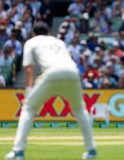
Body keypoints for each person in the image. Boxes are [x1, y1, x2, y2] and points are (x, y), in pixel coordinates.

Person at [5, 21, 97, 160]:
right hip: (72, 72)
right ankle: (91, 150)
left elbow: (29, 69)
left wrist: (29, 94)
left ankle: (18, 151)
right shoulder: (58, 41)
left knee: (28, 108)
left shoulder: (31, 42)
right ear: (48, 32)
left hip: (52, 73)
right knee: (80, 110)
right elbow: (62, 62)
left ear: (33, 33)